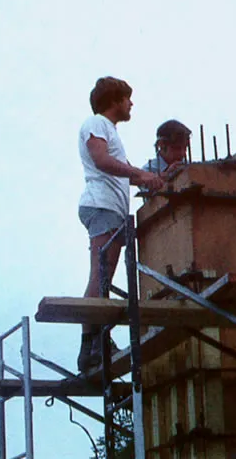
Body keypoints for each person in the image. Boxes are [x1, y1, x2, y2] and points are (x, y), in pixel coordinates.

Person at [77, 76, 164, 372]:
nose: (131, 104)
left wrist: (144, 176)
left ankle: (96, 342)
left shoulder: (108, 130)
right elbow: (101, 160)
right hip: (101, 206)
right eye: (127, 98)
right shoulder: (97, 123)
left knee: (104, 275)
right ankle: (91, 346)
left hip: (108, 208)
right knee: (100, 275)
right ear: (114, 100)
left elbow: (115, 166)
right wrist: (139, 175)